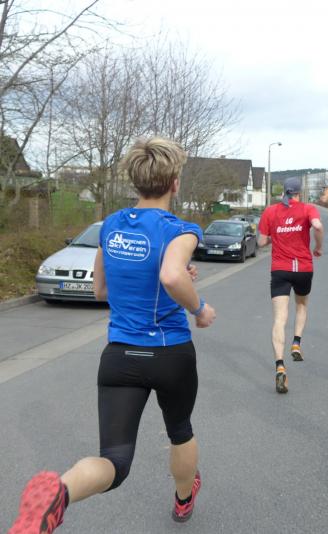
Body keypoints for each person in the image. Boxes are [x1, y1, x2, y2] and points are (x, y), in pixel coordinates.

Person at [9, 137, 217, 533]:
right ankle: (183, 500)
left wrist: (163, 277)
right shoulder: (181, 229)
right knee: (180, 431)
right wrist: (199, 308)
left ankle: (60, 492)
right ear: (174, 183)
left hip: (120, 356)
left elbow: (100, 290)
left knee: (115, 462)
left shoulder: (111, 225)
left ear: (135, 181)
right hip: (170, 353)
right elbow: (171, 275)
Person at [258, 177, 323, 394]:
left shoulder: (270, 211)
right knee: (301, 305)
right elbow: (318, 226)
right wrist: (318, 247)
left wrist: (273, 237)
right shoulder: (308, 208)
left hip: (280, 269)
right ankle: (296, 342)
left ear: (283, 192)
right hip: (303, 268)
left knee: (279, 318)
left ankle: (280, 366)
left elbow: (261, 242)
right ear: (299, 192)